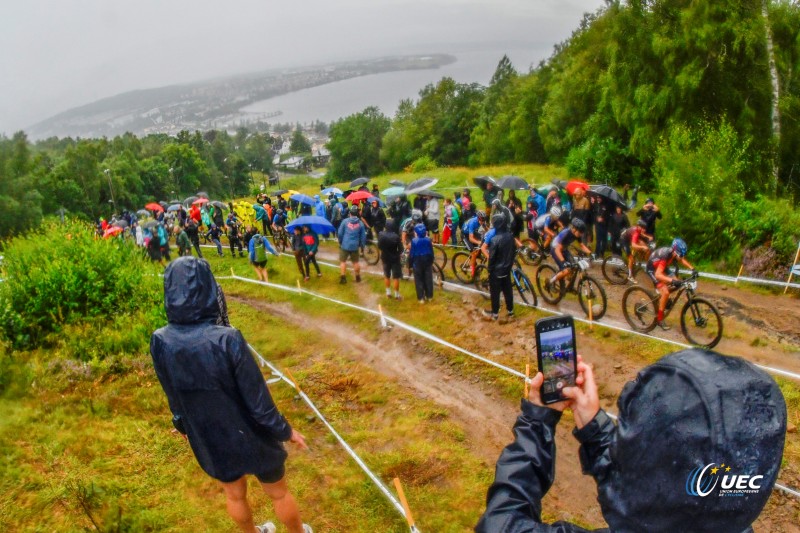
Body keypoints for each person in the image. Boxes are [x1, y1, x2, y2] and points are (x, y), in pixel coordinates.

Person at [476, 348, 786, 533]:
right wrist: (594, 426)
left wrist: (537, 421)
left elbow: (500, 523)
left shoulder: (659, 498)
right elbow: (662, 485)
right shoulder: (728, 510)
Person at [150, 257, 312, 533]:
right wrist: (286, 431)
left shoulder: (160, 339)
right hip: (250, 430)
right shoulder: (228, 338)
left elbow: (171, 393)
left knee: (234, 494)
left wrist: (181, 423)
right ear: (208, 288)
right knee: (279, 493)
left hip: (208, 433)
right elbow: (259, 402)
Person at [646, 238, 697, 330]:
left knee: (677, 283)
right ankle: (660, 319)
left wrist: (692, 269)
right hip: (653, 269)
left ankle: (661, 297)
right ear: (675, 252)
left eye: (682, 255)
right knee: (666, 292)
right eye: (680, 255)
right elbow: (658, 275)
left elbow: (681, 260)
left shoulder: (674, 253)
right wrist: (671, 281)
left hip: (662, 266)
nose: (681, 257)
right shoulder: (666, 256)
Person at [481, 214, 516, 321]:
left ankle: (495, 314)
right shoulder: (510, 236)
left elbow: (491, 258)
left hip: (496, 271)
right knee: (508, 290)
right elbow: (513, 251)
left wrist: (490, 270)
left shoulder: (494, 240)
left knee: (495, 293)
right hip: (507, 269)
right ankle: (510, 311)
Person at [547, 218, 592, 289]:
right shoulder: (566, 234)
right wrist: (563, 261)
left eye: (582, 233)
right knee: (566, 270)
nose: (581, 234)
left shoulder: (577, 234)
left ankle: (569, 285)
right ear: (575, 229)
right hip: (555, 249)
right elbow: (557, 250)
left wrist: (590, 253)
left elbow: (582, 246)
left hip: (564, 249)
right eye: (580, 232)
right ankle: (551, 281)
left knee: (574, 267)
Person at [337, 205, 366, 284]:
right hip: (355, 246)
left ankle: (343, 278)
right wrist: (362, 246)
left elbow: (339, 233)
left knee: (343, 261)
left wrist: (340, 241)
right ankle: (358, 277)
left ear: (350, 213)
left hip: (345, 244)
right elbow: (363, 236)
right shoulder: (360, 224)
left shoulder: (345, 221)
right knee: (355, 262)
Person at [409, 223, 434, 303]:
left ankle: (421, 298)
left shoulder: (414, 241)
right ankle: (429, 296)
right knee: (428, 279)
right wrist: (431, 260)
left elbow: (412, 253)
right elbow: (431, 252)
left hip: (417, 262)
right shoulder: (428, 240)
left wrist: (410, 263)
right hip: (427, 261)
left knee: (418, 280)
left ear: (416, 232)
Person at [378, 219, 403, 299]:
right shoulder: (396, 237)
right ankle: (396, 295)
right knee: (396, 277)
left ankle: (388, 292)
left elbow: (379, 246)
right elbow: (401, 249)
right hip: (395, 258)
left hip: (385, 257)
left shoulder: (381, 234)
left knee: (387, 275)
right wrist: (397, 254)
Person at [463, 211, 489, 277]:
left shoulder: (482, 221)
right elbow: (470, 239)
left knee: (483, 242)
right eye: (481, 220)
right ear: (478, 218)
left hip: (473, 232)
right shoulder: (473, 222)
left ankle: (476, 257)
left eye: (484, 220)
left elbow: (487, 230)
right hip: (465, 235)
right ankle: (472, 270)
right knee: (474, 252)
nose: (483, 221)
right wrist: (479, 242)